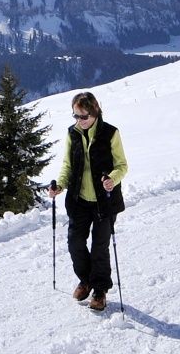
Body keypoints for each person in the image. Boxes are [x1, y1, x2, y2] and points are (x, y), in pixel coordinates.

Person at [46, 91, 128, 311]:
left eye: (83, 116)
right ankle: (86, 279)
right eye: (75, 116)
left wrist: (112, 178)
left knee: (100, 247)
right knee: (74, 243)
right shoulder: (72, 134)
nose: (79, 121)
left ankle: (100, 290)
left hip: (105, 200)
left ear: (95, 112)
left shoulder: (110, 133)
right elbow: (67, 165)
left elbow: (122, 166)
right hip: (79, 199)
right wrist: (60, 186)